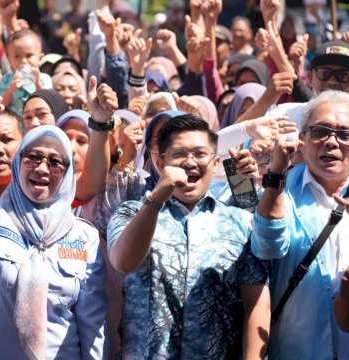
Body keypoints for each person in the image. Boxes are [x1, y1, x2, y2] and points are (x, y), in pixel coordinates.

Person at [0, 95, 106, 359]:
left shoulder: (84, 236)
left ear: (68, 172)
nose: (42, 168)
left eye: (55, 162)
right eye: (33, 157)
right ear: (17, 164)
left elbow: (92, 324)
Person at [108, 114, 270, 358]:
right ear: (161, 164)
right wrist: (156, 200)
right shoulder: (131, 212)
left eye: (200, 154)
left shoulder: (240, 222)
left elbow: (256, 304)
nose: (190, 162)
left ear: (216, 163)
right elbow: (123, 262)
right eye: (179, 153)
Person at [251, 91, 349, 359]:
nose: (332, 142)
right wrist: (275, 176)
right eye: (321, 131)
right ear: (302, 139)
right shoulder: (281, 189)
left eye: (344, 134)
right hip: (297, 350)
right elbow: (266, 248)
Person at [0, 29, 53, 116]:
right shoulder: (5, 80)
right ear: (9, 59)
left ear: (40, 58)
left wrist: (37, 84)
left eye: (29, 55)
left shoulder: (44, 79)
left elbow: (48, 103)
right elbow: (0, 106)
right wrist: (10, 90)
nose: (23, 61)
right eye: (17, 56)